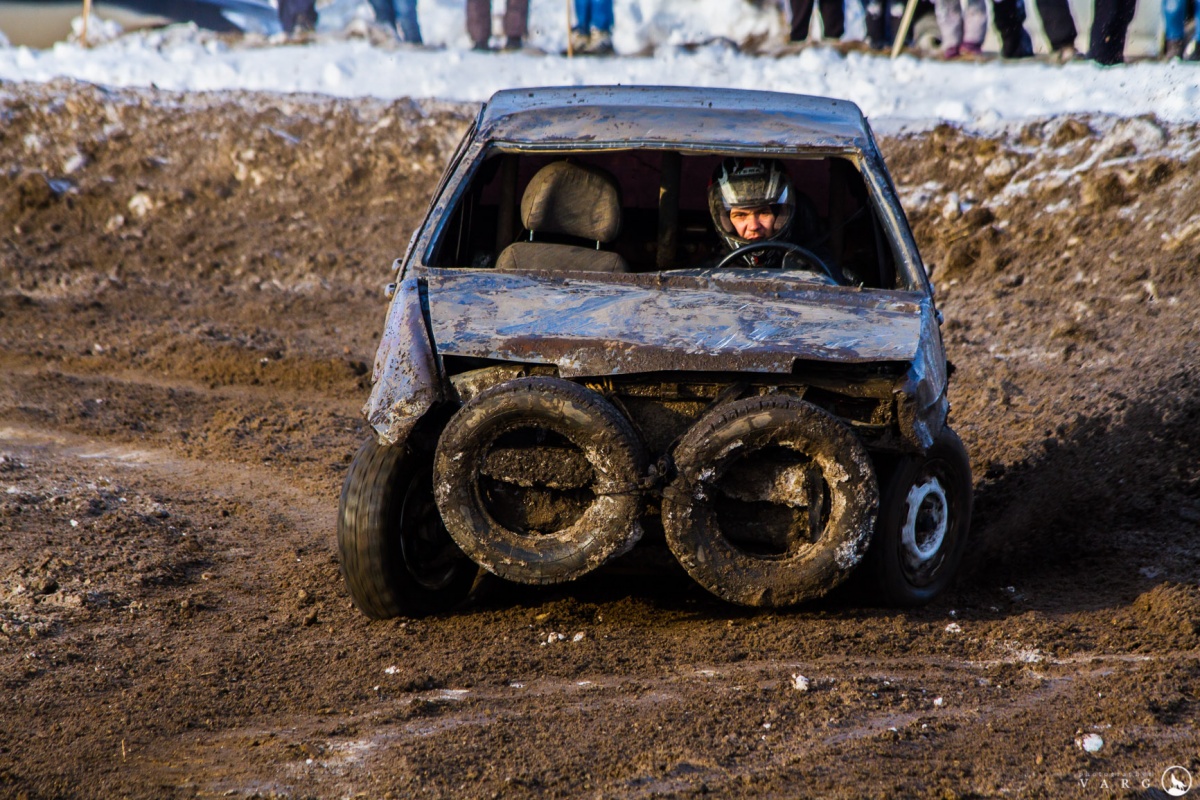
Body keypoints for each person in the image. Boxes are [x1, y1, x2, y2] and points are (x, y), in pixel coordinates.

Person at [707, 158, 827, 272]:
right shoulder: (705, 275)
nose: (754, 226)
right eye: (740, 215)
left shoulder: (817, 269)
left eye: (763, 213)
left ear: (781, 215)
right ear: (726, 222)